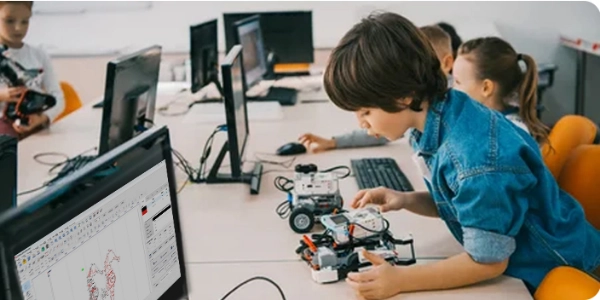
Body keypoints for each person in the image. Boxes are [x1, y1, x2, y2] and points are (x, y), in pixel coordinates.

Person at [322, 12, 600, 300]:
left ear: (403, 97)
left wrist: (401, 279)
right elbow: (458, 202)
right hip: (529, 264)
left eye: (365, 112)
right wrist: (404, 199)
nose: (361, 123)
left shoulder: (476, 162)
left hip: (561, 274)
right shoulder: (441, 115)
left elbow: (488, 261)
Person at [298, 25, 454, 153]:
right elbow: (382, 130)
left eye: (366, 112)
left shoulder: (460, 152)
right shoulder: (420, 118)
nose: (362, 124)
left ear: (404, 94)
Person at [452, 36, 548, 142]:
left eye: (458, 82)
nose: (452, 89)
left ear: (486, 88)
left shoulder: (508, 136)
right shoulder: (481, 120)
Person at [0, 1, 65, 139]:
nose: (18, 28)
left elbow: (57, 97)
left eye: (25, 21)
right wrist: (2, 96)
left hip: (37, 131)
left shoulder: (39, 55)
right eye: (9, 21)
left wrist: (42, 118)